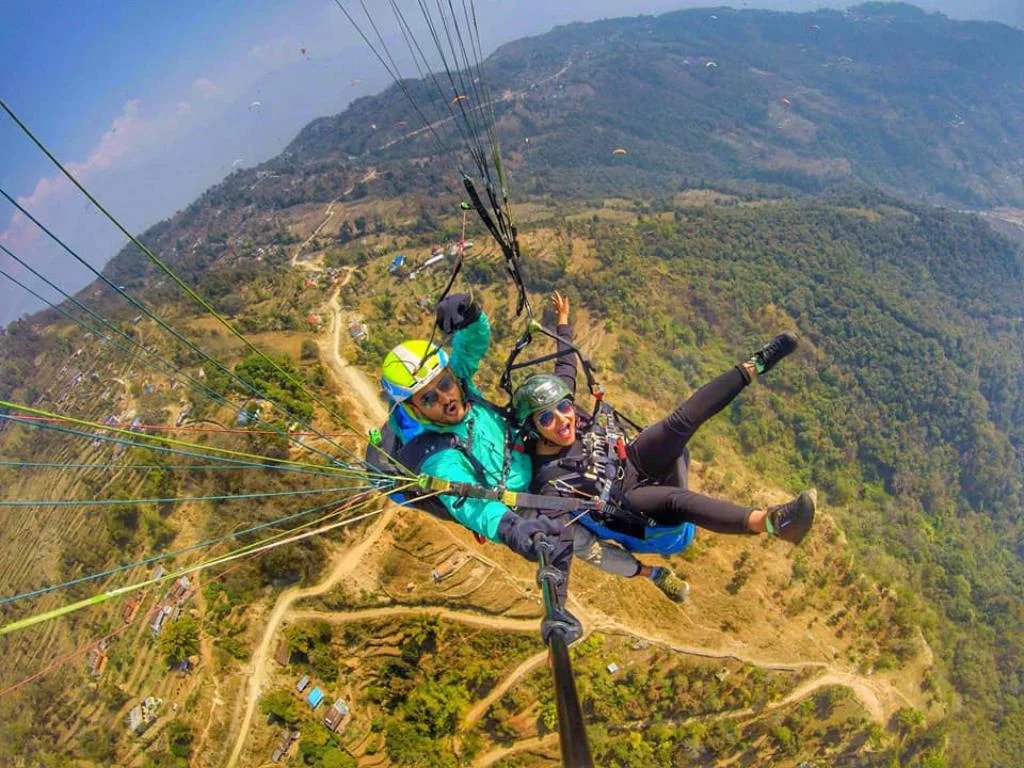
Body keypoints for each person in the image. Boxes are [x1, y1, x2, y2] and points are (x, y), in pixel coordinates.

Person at [512, 292, 815, 601]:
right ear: (533, 430)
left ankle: (757, 364)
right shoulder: (548, 482)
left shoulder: (570, 413)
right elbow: (578, 547)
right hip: (628, 506)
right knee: (676, 500)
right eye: (547, 418)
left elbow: (566, 366)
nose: (563, 419)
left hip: (630, 461)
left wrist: (562, 322)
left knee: (680, 422)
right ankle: (775, 522)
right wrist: (644, 573)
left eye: (563, 405)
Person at [377, 292, 563, 563]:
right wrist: (512, 529)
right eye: (428, 399)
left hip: (530, 455)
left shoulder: (460, 381)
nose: (445, 398)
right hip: (521, 503)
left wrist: (471, 313)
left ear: (452, 375)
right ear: (414, 410)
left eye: (444, 385)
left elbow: (472, 343)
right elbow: (468, 501)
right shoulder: (436, 455)